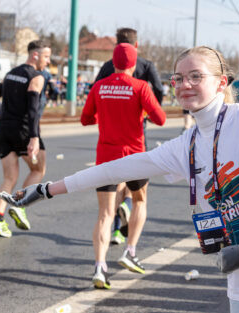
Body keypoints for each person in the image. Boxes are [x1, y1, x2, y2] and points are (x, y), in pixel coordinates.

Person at [0, 46, 239, 312]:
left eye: (196, 76)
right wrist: (47, 189)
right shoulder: (187, 143)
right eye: (178, 78)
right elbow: (117, 168)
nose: (185, 85)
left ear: (222, 82)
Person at [80, 43, 166, 289]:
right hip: (135, 157)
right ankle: (130, 251)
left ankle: (99, 267)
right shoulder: (141, 87)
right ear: (133, 64)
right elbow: (160, 118)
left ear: (113, 62)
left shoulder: (98, 86)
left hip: (106, 156)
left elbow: (86, 118)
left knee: (105, 215)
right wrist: (140, 113)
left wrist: (105, 115)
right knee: (139, 200)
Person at [94, 27, 165, 244]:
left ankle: (115, 228)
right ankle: (123, 213)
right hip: (136, 126)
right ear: (136, 45)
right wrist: (150, 112)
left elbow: (95, 88)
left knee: (112, 179)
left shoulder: (108, 66)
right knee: (132, 176)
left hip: (110, 130)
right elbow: (160, 89)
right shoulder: (146, 66)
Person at [0, 40, 51, 238]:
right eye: (46, 57)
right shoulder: (36, 77)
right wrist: (34, 137)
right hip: (24, 130)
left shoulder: (10, 73)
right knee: (39, 169)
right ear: (35, 55)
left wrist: (1, 119)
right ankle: (19, 206)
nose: (48, 62)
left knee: (9, 178)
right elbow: (33, 109)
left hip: (5, 130)